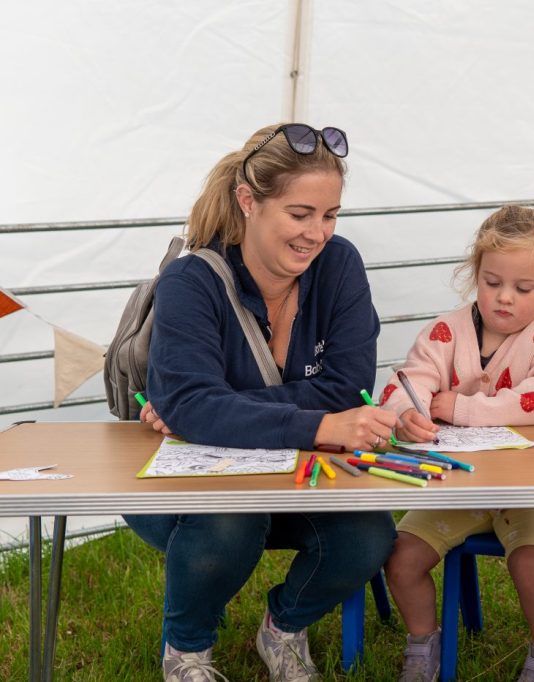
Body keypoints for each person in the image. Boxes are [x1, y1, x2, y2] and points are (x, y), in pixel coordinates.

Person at [124, 123, 399, 682]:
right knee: (230, 519)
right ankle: (186, 651)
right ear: (248, 201)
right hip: (186, 491)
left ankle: (283, 627)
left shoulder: (340, 264)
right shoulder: (189, 281)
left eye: (330, 215)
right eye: (300, 214)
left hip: (296, 477)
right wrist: (319, 425)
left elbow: (347, 387)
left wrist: (218, 409)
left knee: (369, 532)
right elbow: (197, 405)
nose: (317, 234)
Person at [378, 205, 534, 682]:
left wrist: (462, 409)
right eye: (492, 283)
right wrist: (406, 414)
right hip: (457, 488)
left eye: (523, 288)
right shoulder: (447, 330)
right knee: (401, 557)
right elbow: (407, 382)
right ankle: (423, 643)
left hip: (533, 491)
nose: (504, 297)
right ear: (476, 274)